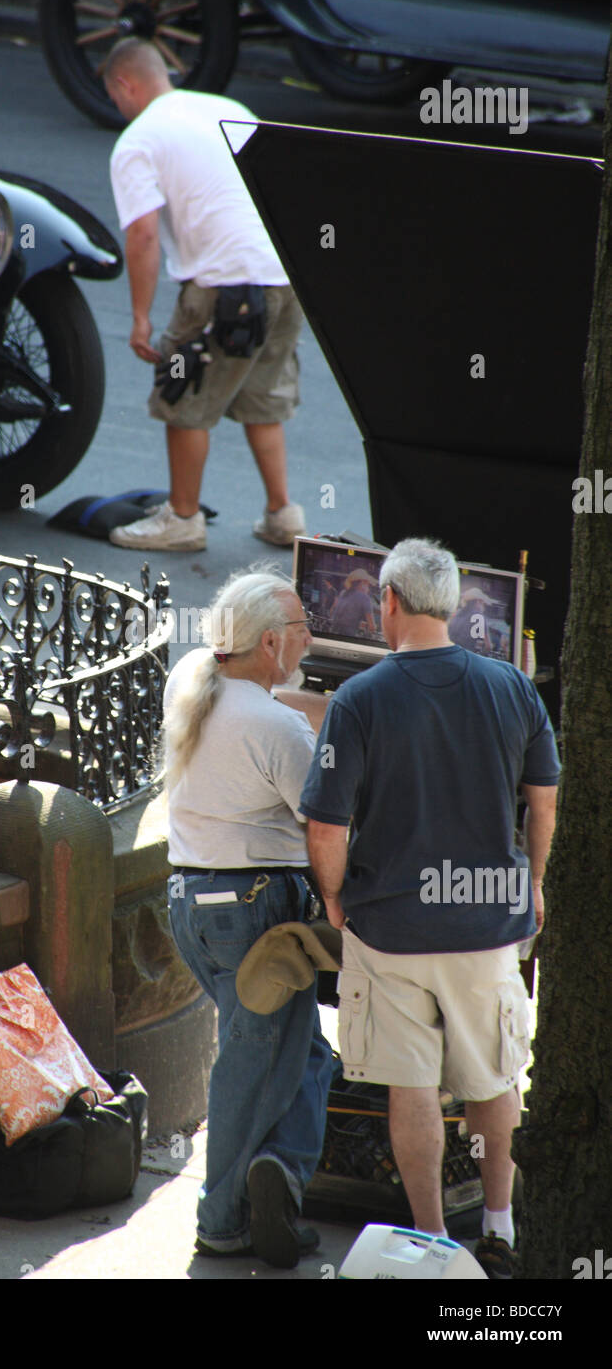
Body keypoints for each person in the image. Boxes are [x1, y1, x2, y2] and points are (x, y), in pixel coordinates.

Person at [299, 538, 560, 1279]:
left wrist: (333, 898)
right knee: (494, 1080)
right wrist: (532, 882)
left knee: (411, 1085)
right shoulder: (514, 687)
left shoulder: (358, 700)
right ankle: (501, 1229)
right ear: (450, 608)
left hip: (391, 928)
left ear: (388, 602)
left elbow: (326, 825)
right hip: (488, 927)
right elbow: (543, 797)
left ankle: (432, 1241)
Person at [163, 570, 333, 1266]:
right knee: (252, 1064)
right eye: (300, 629)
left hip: (190, 907)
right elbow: (323, 825)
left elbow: (258, 705)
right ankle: (223, 1219)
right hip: (255, 913)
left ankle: (281, 1172)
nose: (310, 638)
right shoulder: (276, 727)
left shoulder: (192, 680)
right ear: (270, 642)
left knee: (305, 1054)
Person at [104, 39, 306, 552]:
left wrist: (140, 318)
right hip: (285, 277)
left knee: (183, 397)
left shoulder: (138, 139)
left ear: (124, 84)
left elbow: (143, 235)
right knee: (265, 398)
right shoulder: (228, 108)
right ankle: (284, 515)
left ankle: (183, 519)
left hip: (224, 289)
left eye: (114, 96)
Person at [328, 568, 378, 638]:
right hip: (349, 637)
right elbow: (372, 627)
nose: (368, 588)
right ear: (362, 583)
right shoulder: (365, 598)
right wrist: (373, 627)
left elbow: (334, 613)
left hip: (333, 634)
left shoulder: (343, 593)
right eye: (368, 584)